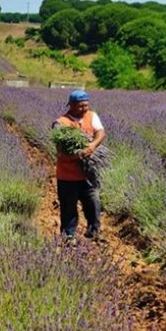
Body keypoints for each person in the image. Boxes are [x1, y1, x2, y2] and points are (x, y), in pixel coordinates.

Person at [52, 90, 106, 241]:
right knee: (68, 207)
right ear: (71, 105)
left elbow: (100, 132)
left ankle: (93, 232)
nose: (84, 109)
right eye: (81, 106)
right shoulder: (60, 123)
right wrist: (78, 155)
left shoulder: (92, 116)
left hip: (89, 174)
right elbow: (61, 151)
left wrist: (92, 146)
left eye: (86, 105)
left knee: (93, 203)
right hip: (68, 175)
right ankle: (68, 236)